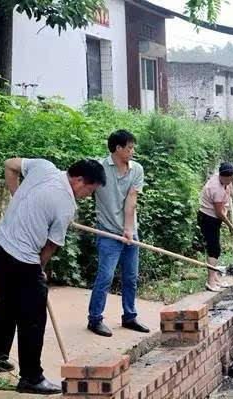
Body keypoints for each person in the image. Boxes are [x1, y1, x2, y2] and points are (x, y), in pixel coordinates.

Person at [0, 158, 106, 394]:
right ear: (79, 181)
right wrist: (40, 269)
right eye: (91, 190)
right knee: (33, 316)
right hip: (22, 257)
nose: (89, 196)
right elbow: (50, 246)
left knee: (8, 304)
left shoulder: (44, 167)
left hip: (0, 245)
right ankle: (31, 377)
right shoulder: (66, 204)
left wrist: (16, 196)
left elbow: (9, 165)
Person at [87, 130, 150, 337]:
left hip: (130, 233)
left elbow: (131, 200)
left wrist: (129, 230)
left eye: (133, 147)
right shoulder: (99, 168)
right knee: (105, 277)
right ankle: (95, 319)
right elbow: (81, 189)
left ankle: (129, 317)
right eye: (129, 147)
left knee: (130, 277)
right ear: (117, 148)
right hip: (107, 233)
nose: (133, 151)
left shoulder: (136, 169)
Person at [197, 162, 233, 292]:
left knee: (215, 248)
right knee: (214, 249)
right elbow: (219, 213)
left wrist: (230, 189)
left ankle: (215, 278)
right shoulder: (216, 189)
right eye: (228, 179)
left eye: (232, 178)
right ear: (222, 176)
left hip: (214, 218)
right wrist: (231, 226)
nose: (231, 180)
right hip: (208, 218)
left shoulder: (224, 179)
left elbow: (231, 190)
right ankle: (210, 282)